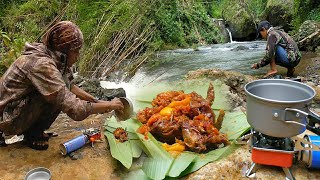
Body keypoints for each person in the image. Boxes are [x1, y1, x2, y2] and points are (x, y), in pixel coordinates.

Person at [0, 21, 124, 150]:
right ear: (65, 51)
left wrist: (96, 101)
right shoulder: (41, 64)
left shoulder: (54, 55)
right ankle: (32, 135)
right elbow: (74, 109)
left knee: (57, 91)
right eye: (76, 51)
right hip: (5, 117)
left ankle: (32, 132)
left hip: (11, 110)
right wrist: (109, 106)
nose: (78, 56)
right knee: (54, 95)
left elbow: (69, 85)